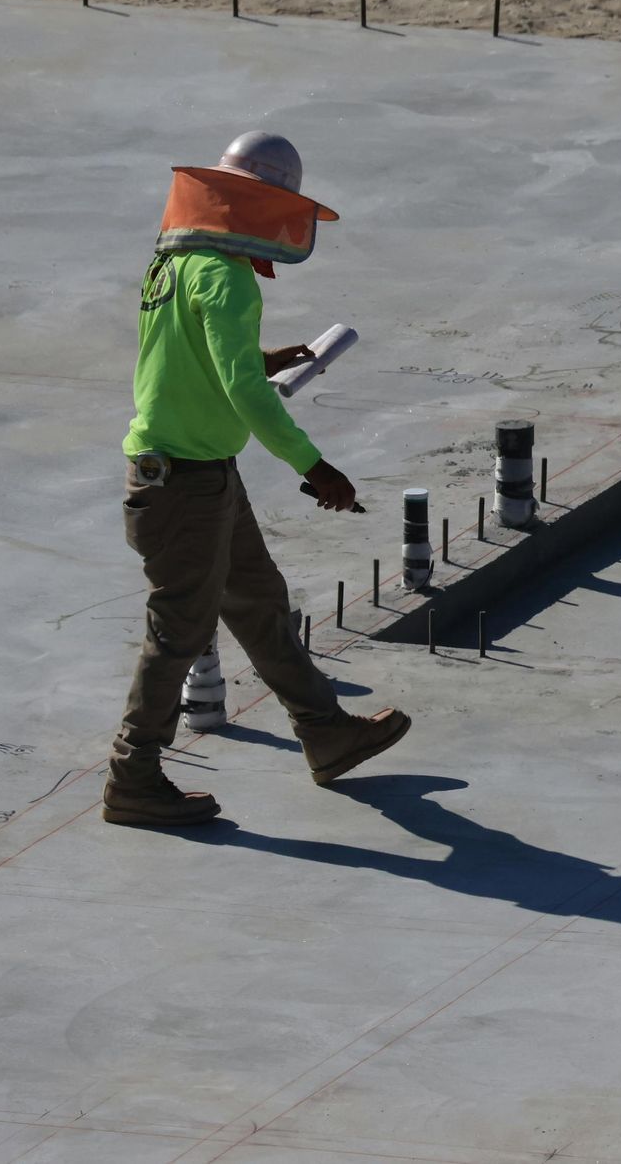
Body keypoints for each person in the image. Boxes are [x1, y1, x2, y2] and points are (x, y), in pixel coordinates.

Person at [106, 131, 410, 827]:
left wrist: (264, 356)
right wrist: (314, 464)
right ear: (259, 207)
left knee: (257, 601)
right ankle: (133, 775)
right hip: (185, 483)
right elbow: (243, 390)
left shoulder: (175, 263)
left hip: (192, 474)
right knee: (178, 631)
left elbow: (197, 360)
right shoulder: (227, 276)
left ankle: (325, 731)